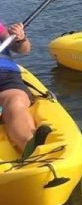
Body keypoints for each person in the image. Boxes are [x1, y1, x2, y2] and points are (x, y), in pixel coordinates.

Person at [0, 21, 51, 156]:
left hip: (5, 75)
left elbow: (24, 49)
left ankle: (30, 145)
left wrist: (20, 38)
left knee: (15, 101)